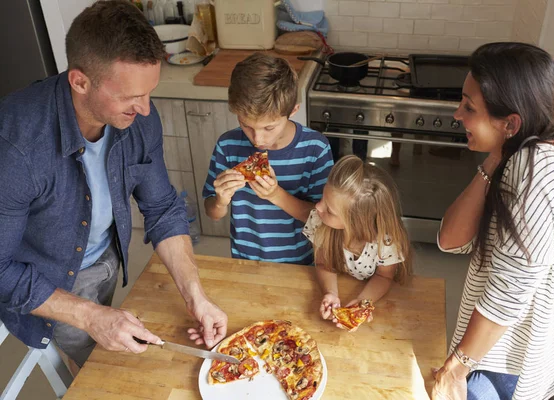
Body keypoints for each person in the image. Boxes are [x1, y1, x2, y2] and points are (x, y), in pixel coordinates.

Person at [0, 0, 227, 374]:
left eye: (149, 92)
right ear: (80, 81)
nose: (145, 109)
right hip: (48, 283)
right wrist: (91, 316)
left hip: (106, 259)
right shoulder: (15, 146)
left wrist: (195, 296)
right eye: (129, 97)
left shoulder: (137, 119)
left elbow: (163, 209)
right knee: (105, 376)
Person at [433, 42, 554, 400]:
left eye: (469, 107)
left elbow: (508, 293)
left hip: (514, 361)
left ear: (511, 123)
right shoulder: (546, 155)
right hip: (545, 349)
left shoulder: (535, 169)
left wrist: (455, 368)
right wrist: (495, 157)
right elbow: (451, 240)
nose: (457, 115)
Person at [203, 52, 333, 265]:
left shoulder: (315, 148)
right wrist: (220, 201)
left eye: (269, 127)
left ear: (293, 111)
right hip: (244, 261)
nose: (257, 139)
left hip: (300, 263)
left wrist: (276, 195)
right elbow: (213, 213)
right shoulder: (227, 145)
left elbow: (324, 220)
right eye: (246, 125)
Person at [302, 155, 412, 328]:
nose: (317, 207)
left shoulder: (387, 241)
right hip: (345, 282)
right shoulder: (320, 221)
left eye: (329, 210)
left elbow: (384, 276)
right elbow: (324, 263)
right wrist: (330, 293)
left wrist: (362, 302)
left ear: (357, 223)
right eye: (323, 197)